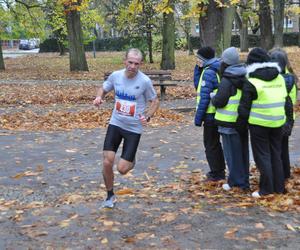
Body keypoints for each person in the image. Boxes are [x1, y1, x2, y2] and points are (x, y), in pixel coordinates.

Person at [93, 48, 159, 208]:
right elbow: (103, 88)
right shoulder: (115, 76)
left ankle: (131, 160)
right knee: (107, 162)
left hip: (133, 128)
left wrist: (148, 116)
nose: (133, 66)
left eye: (136, 64)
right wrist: (99, 97)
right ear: (125, 61)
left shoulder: (144, 81)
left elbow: (155, 101)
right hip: (116, 123)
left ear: (140, 64)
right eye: (130, 62)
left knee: (122, 169)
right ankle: (110, 196)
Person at [237, 47, 289, 198]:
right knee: (276, 155)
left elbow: (244, 108)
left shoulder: (252, 81)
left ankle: (266, 189)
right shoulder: (279, 77)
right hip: (278, 122)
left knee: (263, 156)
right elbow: (285, 100)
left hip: (259, 124)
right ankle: (279, 187)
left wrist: (240, 125)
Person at [211, 47, 249, 191]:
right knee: (242, 153)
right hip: (241, 121)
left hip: (228, 123)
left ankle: (236, 182)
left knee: (231, 155)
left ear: (225, 63)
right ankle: (243, 180)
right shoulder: (245, 75)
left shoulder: (227, 79)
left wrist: (213, 98)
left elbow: (220, 101)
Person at [194, 46, 226, 181]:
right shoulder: (216, 67)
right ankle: (219, 170)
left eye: (198, 58)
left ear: (203, 59)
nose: (196, 60)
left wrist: (198, 118)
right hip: (218, 114)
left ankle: (217, 173)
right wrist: (198, 69)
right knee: (215, 144)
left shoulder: (208, 72)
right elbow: (198, 85)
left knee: (211, 145)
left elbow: (204, 96)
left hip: (210, 114)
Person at [270, 48, 298, 179]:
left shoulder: (279, 78)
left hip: (278, 115)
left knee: (275, 147)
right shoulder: (291, 76)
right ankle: (285, 172)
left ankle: (279, 173)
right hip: (289, 116)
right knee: (283, 146)